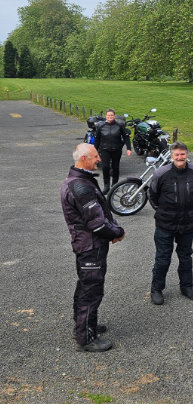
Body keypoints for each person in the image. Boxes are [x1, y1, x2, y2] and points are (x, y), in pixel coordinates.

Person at [60, 143, 126, 352]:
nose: (99, 159)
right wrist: (117, 232)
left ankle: (84, 325)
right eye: (96, 156)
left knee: (85, 286)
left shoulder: (80, 180)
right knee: (91, 290)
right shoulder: (80, 186)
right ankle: (86, 338)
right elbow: (97, 223)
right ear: (83, 159)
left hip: (87, 244)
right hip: (90, 246)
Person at [148, 141, 193, 305]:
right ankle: (156, 289)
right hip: (165, 224)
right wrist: (164, 211)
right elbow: (152, 195)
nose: (180, 157)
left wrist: (189, 210)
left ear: (187, 154)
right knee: (162, 258)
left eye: (182, 154)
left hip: (188, 224)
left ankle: (186, 286)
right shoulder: (161, 173)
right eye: (176, 154)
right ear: (172, 156)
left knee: (186, 257)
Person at [93, 108, 132, 194]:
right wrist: (95, 151)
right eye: (108, 115)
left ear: (114, 116)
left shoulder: (120, 125)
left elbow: (126, 137)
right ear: (106, 116)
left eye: (111, 115)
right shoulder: (100, 126)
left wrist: (129, 148)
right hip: (104, 150)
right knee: (105, 167)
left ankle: (114, 185)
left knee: (115, 167)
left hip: (116, 150)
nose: (110, 117)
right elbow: (97, 139)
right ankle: (106, 186)